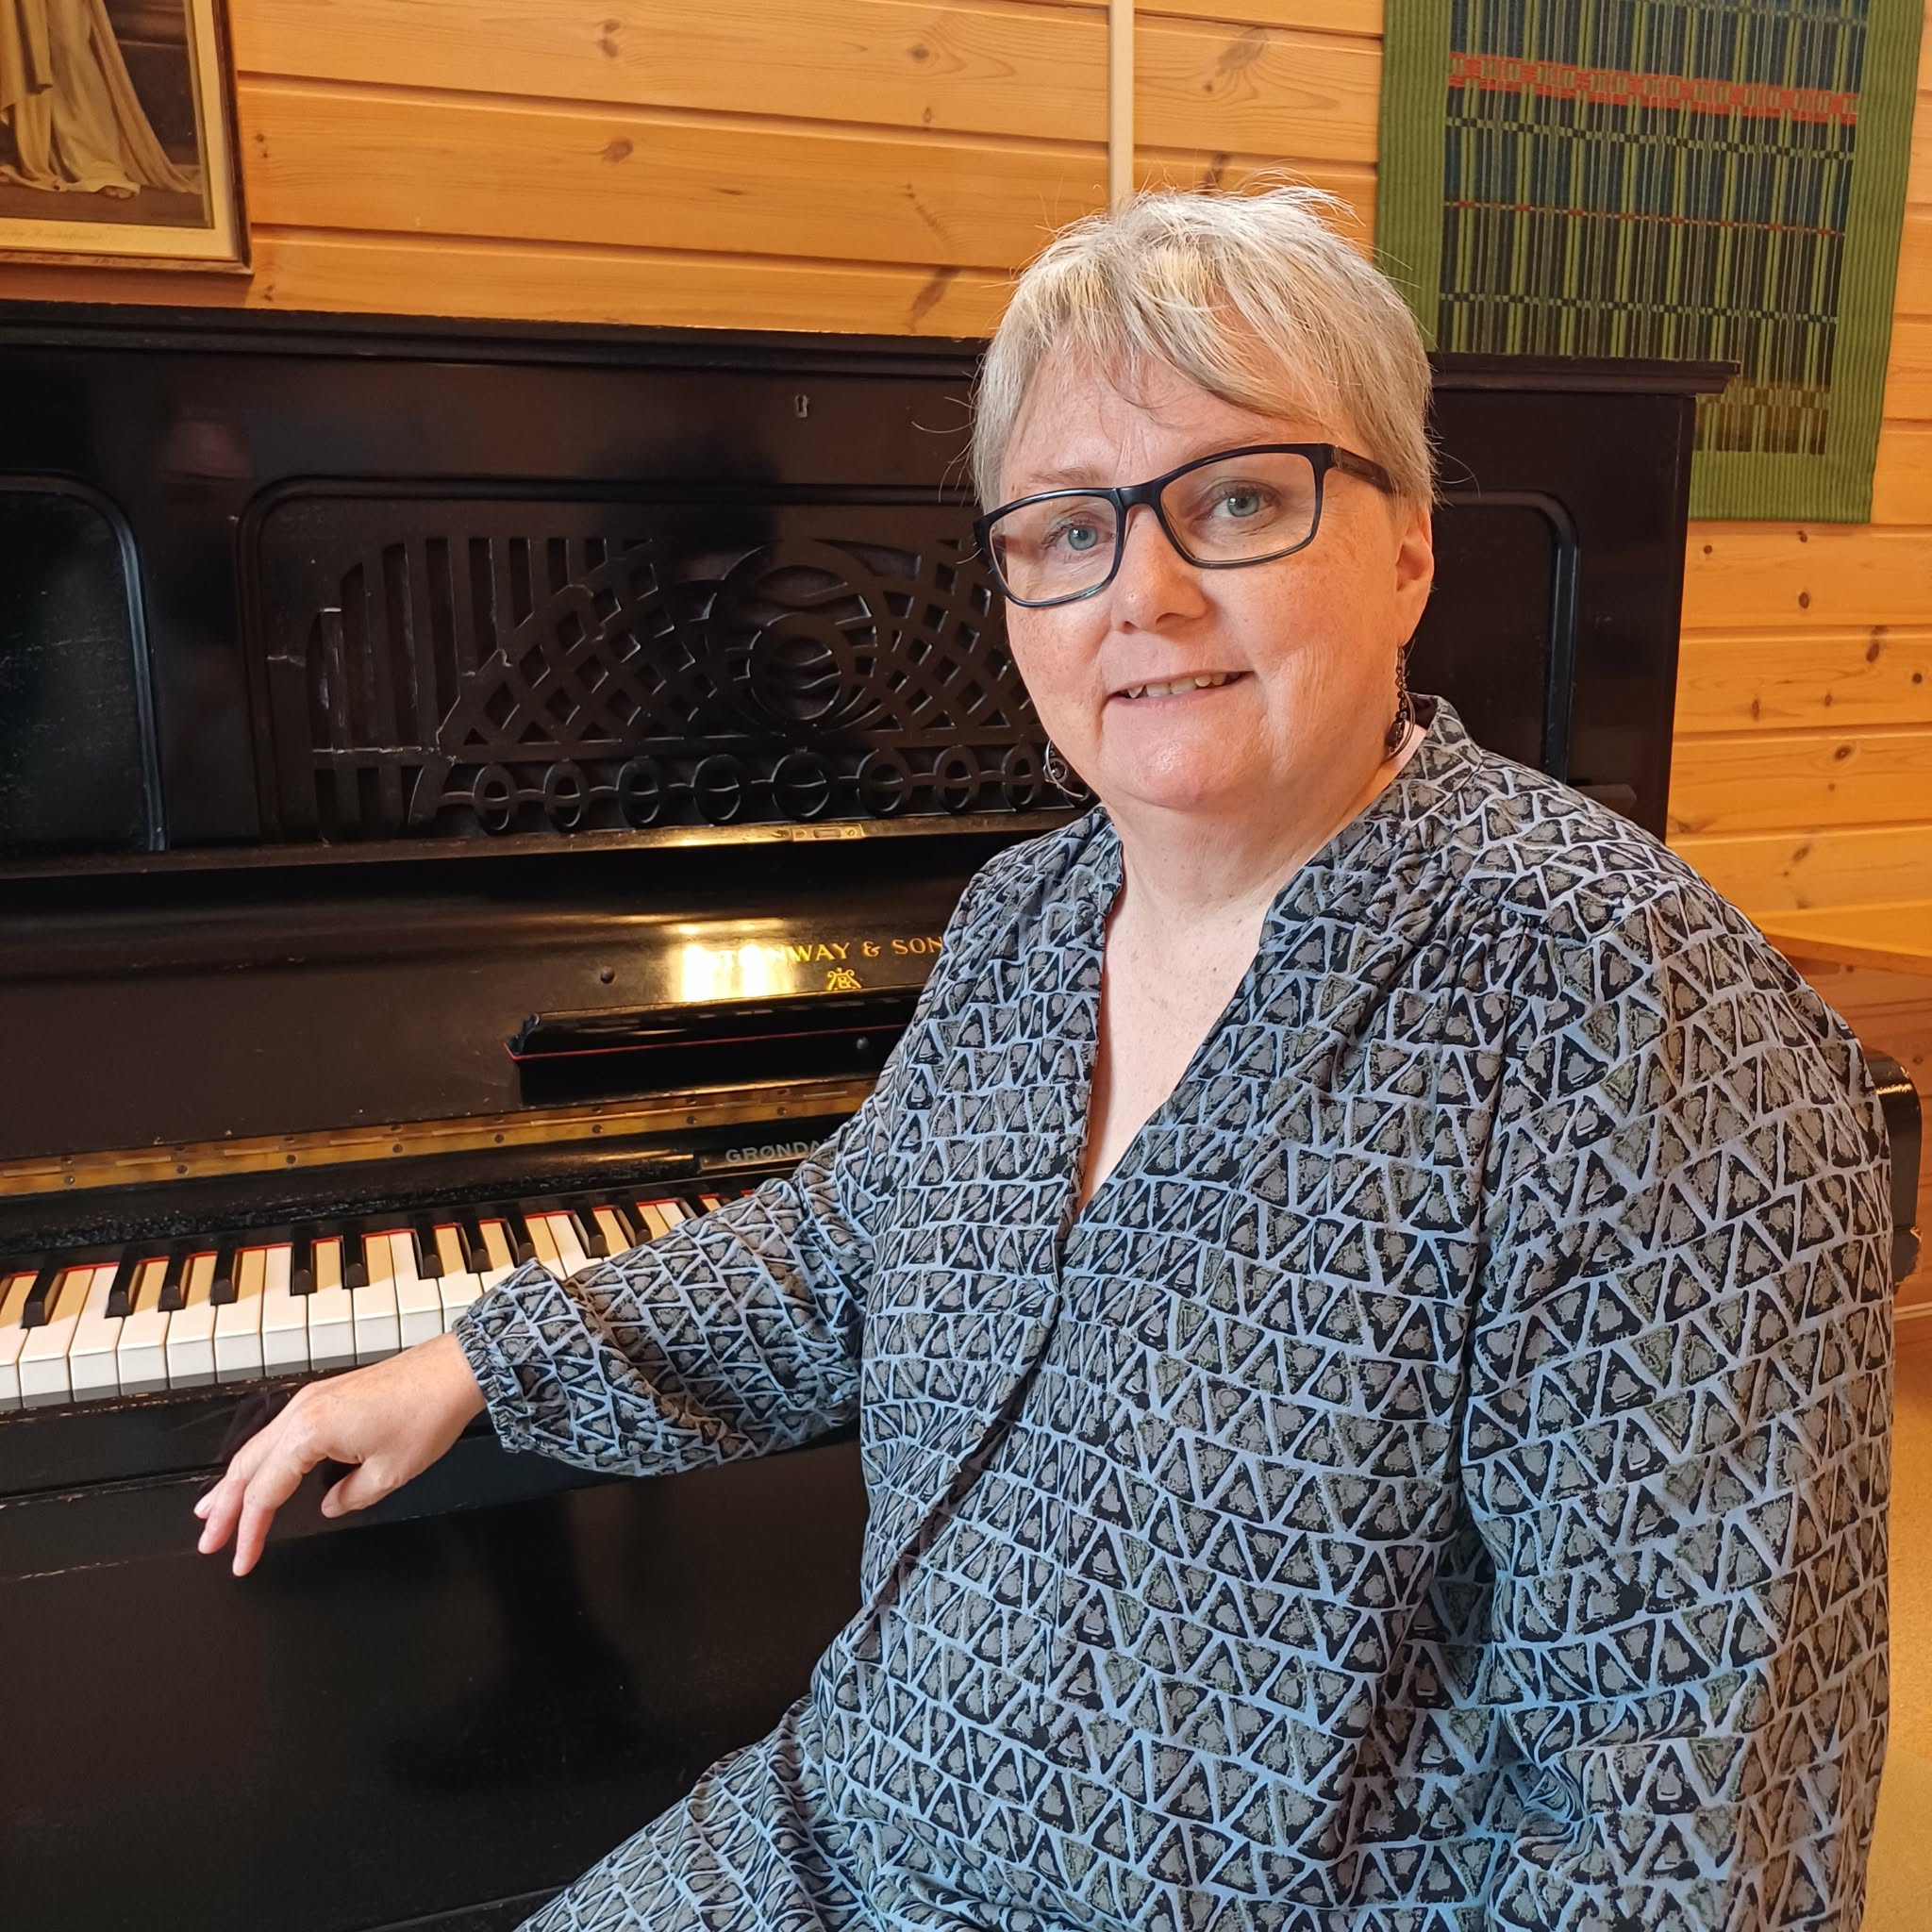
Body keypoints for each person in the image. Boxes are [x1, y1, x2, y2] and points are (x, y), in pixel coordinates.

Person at [196, 186, 1895, 1931]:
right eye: (1070, 526)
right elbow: (848, 1242)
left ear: (1407, 549)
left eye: (1240, 499)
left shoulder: (1629, 1019)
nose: (1142, 593)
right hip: (843, 1827)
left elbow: (1692, 1824)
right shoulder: (1029, 914)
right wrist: (481, 1358)